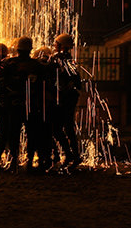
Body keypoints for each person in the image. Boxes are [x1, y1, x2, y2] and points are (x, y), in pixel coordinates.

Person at [0, 36, 49, 172]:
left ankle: (14, 161)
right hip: (32, 105)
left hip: (14, 105)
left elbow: (1, 83)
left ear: (17, 49)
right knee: (32, 134)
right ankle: (30, 161)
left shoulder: (9, 64)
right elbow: (42, 86)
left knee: (13, 134)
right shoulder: (37, 66)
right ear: (30, 49)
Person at [48, 33, 82, 168]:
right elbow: (78, 83)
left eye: (56, 43)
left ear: (61, 45)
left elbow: (49, 76)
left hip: (61, 99)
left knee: (56, 129)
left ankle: (68, 154)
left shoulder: (56, 59)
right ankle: (75, 155)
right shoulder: (71, 61)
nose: (54, 45)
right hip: (70, 98)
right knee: (69, 128)